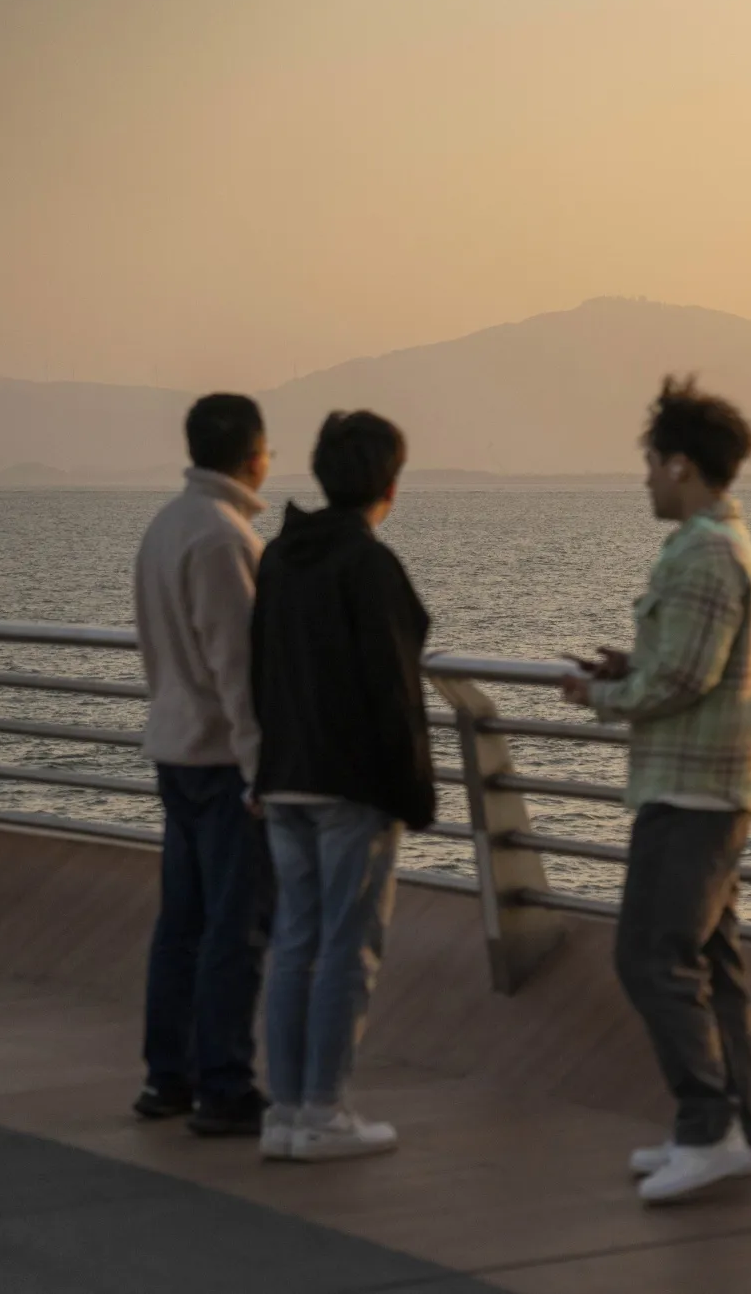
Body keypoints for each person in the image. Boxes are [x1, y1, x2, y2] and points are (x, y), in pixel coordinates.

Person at [562, 375, 751, 1204]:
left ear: (681, 465)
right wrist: (631, 665)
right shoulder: (715, 547)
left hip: (692, 791)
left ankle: (707, 1126)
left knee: (652, 955)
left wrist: (602, 696)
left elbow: (685, 675)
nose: (645, 478)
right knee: (711, 963)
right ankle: (728, 1129)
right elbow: (688, 665)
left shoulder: (705, 552)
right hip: (706, 783)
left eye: (651, 463)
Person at [250, 410, 434, 1162]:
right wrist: (415, 792)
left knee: (293, 943)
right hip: (351, 785)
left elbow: (258, 668)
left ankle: (286, 1109)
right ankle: (325, 1109)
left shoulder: (279, 557)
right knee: (347, 946)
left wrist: (265, 767)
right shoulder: (368, 565)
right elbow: (394, 692)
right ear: (390, 483)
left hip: (285, 776)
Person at [132, 393, 275, 1135]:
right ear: (252, 454)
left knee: (181, 925)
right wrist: (261, 773)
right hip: (222, 762)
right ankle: (224, 1082)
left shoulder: (165, 527)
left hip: (174, 751)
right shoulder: (225, 539)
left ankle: (169, 1075)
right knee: (234, 928)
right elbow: (240, 670)